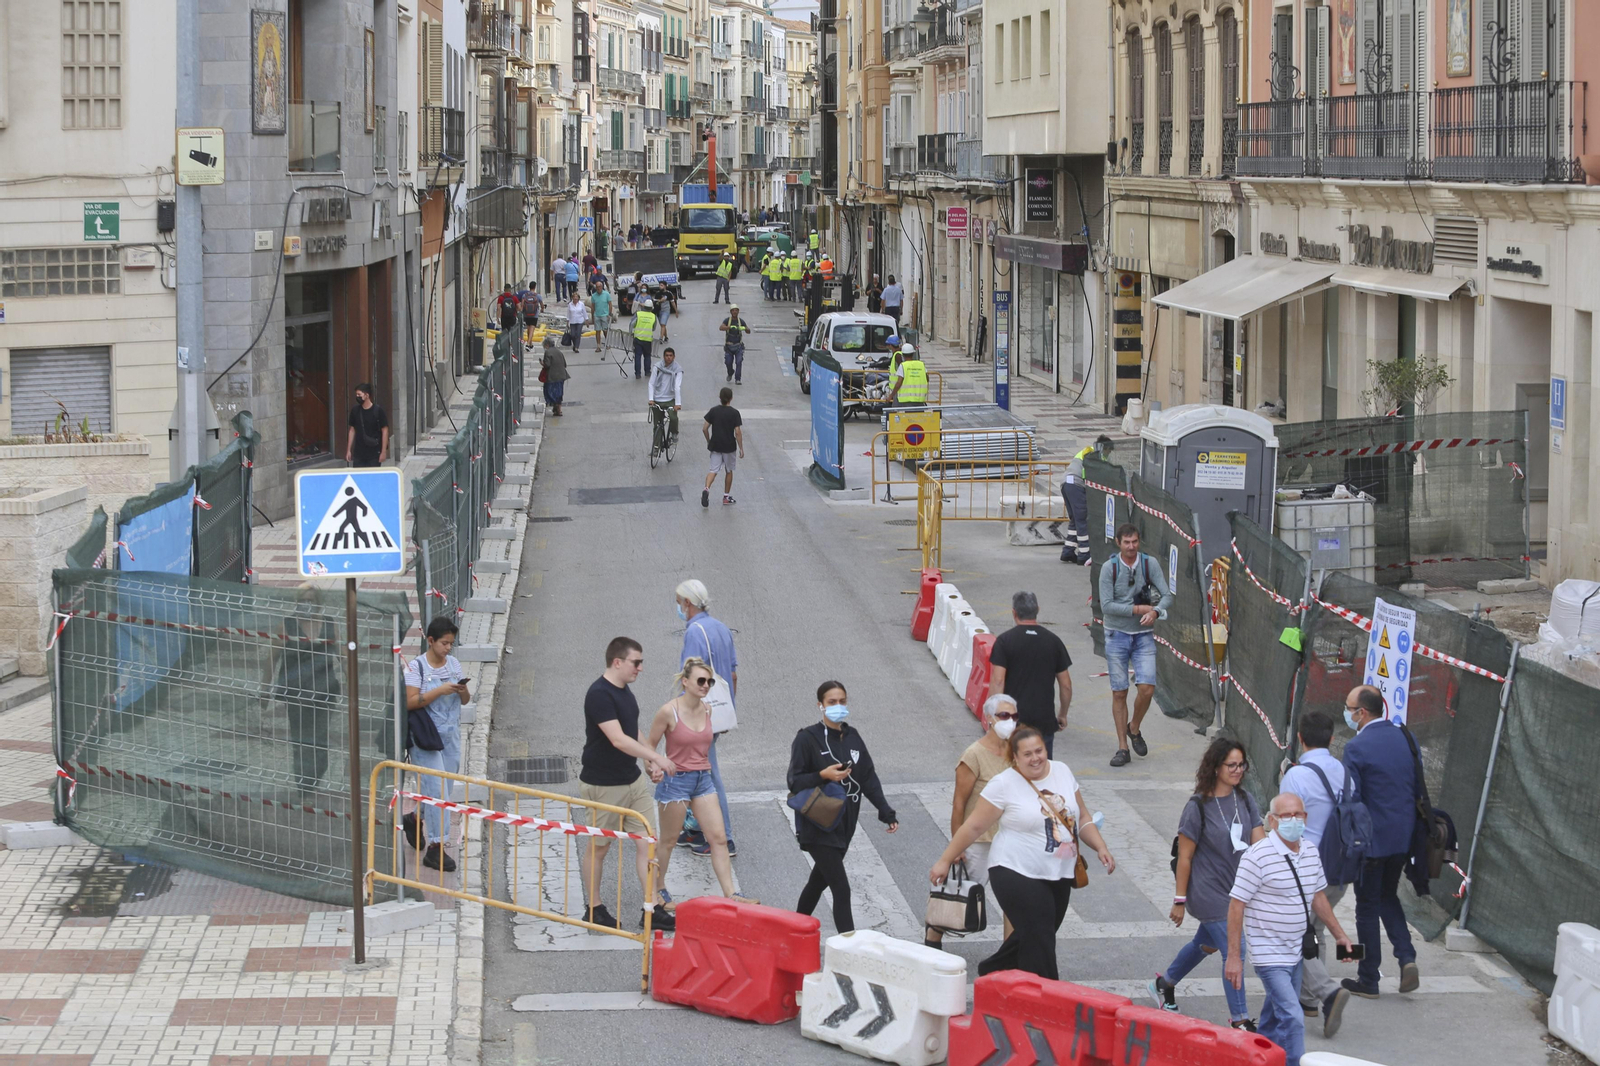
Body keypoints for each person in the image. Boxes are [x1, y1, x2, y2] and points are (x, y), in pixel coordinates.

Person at [931, 726, 1116, 980]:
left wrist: (1100, 846)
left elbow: (1081, 816)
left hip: (1058, 872)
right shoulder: (1004, 784)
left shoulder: (1062, 771)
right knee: (1040, 938)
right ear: (1014, 758)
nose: (1035, 758)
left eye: (1039, 751)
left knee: (1038, 933)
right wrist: (945, 860)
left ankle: (994, 970)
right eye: (1027, 754)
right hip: (1013, 869)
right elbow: (973, 826)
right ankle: (1047, 996)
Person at [1227, 793, 1356, 1066]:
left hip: (1296, 953)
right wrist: (1234, 957)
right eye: (1286, 816)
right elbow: (1236, 906)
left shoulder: (1310, 850)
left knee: (1273, 1022)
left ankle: (1252, 1059)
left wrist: (1340, 935)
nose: (1293, 820)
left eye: (1298, 814)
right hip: (1269, 956)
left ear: (1306, 818)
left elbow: (1318, 896)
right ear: (1272, 821)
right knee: (1293, 1017)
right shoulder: (1257, 856)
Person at [1151, 738, 1265, 1031]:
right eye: (1231, 765)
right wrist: (1179, 901)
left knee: (1206, 944)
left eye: (1242, 765)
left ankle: (1164, 984)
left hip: (1237, 890)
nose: (1238, 770)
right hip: (1207, 891)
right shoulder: (1197, 807)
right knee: (1233, 948)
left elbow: (1259, 845)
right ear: (1215, 768)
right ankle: (1239, 1019)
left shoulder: (1246, 801)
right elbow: (1185, 858)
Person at [580, 637, 679, 932]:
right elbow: (617, 738)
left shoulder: (625, 693)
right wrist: (656, 757)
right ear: (617, 662)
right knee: (599, 848)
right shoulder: (599, 694)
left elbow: (631, 730)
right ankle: (594, 908)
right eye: (637, 662)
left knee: (648, 843)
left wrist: (648, 762)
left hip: (631, 781)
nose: (641, 668)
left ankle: (652, 907)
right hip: (603, 784)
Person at [789, 680, 899, 932]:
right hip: (818, 824)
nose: (838, 706)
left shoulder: (853, 736)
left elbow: (868, 777)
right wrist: (823, 775)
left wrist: (885, 811)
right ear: (820, 705)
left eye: (842, 701)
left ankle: (792, 930)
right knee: (841, 888)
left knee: (818, 882)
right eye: (831, 702)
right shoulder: (807, 739)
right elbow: (794, 781)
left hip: (845, 825)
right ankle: (849, 947)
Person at [1340, 685, 1422, 1000]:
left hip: (1371, 840)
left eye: (1348, 707)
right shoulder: (1406, 737)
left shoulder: (1357, 748)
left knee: (1366, 906)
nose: (1345, 713)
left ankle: (1368, 977)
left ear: (1361, 712)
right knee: (1388, 897)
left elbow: (1352, 799)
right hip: (1403, 837)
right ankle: (1406, 957)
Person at [646, 657, 746, 905]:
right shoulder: (668, 711)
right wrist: (653, 767)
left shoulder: (708, 709)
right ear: (685, 682)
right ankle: (658, 889)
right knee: (668, 841)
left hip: (703, 779)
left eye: (709, 682)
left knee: (718, 838)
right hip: (675, 781)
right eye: (701, 680)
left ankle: (732, 894)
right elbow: (648, 748)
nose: (705, 686)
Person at [1280, 710, 1354, 1036]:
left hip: (1308, 870)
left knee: (1293, 936)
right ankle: (1308, 1000)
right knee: (1315, 932)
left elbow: (1286, 826)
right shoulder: (1343, 771)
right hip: (1340, 867)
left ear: (1300, 738)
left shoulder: (1296, 775)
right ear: (1332, 738)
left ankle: (1327, 992)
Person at [926, 694, 1016, 951]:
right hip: (979, 840)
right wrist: (957, 847)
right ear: (989, 719)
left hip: (1008, 839)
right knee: (958, 895)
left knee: (1012, 900)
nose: (1010, 721)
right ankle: (932, 941)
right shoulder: (974, 755)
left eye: (1013, 716)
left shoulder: (1015, 752)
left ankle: (1010, 957)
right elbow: (959, 804)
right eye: (1003, 716)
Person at [1098, 523, 1172, 767]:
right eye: (1126, 542)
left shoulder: (1150, 565)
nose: (1131, 547)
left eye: (1135, 542)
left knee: (1147, 688)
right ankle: (1122, 747)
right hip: (1116, 635)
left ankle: (1134, 727)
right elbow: (1106, 606)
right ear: (1118, 543)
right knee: (1119, 692)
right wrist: (1138, 609)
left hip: (1143, 635)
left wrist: (1157, 612)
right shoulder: (1110, 568)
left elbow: (1167, 595)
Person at [676, 579, 738, 857]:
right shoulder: (722, 628)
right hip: (719, 711)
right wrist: (727, 707)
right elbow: (733, 674)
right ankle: (696, 828)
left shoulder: (694, 632)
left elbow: (689, 679)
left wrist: (685, 716)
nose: (678, 607)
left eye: (679, 602)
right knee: (697, 770)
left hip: (700, 715)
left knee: (708, 774)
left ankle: (723, 837)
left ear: (688, 603)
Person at [403, 616, 471, 872]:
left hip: (450, 735)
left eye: (451, 643)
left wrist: (462, 690)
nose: (448, 648)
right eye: (444, 643)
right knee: (438, 792)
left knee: (444, 788)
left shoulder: (453, 664)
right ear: (430, 641)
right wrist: (439, 691)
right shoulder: (416, 669)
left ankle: (415, 817)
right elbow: (410, 702)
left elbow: (465, 701)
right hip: (426, 739)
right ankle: (436, 848)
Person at [267, 583, 339, 793]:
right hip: (296, 693)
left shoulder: (329, 625)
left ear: (318, 604)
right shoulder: (287, 625)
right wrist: (265, 689)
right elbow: (272, 658)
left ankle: (315, 774)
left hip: (324, 691)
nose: (306, 605)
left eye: (311, 601)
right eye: (302, 601)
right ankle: (304, 785)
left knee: (320, 737)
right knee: (301, 740)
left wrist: (353, 681)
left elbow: (343, 655)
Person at [987, 592, 1073, 758]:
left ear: (1014, 612)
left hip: (1013, 721)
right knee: (1042, 771)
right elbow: (1066, 685)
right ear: (1038, 610)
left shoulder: (1004, 641)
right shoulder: (1053, 641)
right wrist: (1062, 714)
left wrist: (995, 716)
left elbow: (998, 682)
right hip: (1044, 721)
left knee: (1012, 770)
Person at [1061, 435, 1113, 565]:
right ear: (1104, 448)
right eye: (1109, 451)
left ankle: (1068, 550)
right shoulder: (1092, 454)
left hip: (1066, 483)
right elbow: (1090, 476)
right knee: (1083, 519)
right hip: (1075, 484)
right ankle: (1084, 553)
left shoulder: (1087, 451)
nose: (1109, 454)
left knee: (1076, 519)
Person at [702, 386, 744, 507]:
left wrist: (709, 440)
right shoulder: (735, 413)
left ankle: (706, 489)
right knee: (729, 470)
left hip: (715, 445)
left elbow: (704, 428)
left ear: (719, 398)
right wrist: (741, 448)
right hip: (729, 446)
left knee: (713, 470)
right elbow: (737, 432)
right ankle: (726, 497)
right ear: (731, 398)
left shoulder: (713, 411)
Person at [345, 384, 390, 467]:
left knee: (372, 478)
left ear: (367, 395)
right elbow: (352, 430)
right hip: (358, 453)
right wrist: (348, 450)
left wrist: (383, 452)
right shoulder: (355, 411)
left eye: (359, 395)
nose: (357, 397)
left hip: (374, 453)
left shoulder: (378, 411)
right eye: (356, 395)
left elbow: (385, 431)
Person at [647, 346, 683, 441]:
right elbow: (651, 383)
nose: (668, 357)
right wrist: (651, 399)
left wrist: (678, 404)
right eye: (667, 355)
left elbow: (677, 387)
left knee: (673, 418)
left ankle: (674, 433)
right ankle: (656, 447)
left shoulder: (677, 370)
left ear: (674, 357)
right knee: (657, 424)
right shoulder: (657, 367)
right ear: (663, 356)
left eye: (671, 355)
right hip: (657, 399)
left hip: (670, 400)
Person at [886, 341, 927, 405]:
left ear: (903, 355)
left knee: (896, 413)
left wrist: (891, 395)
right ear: (913, 353)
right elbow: (927, 378)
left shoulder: (903, 366)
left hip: (905, 400)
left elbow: (899, 383)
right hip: (920, 399)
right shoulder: (921, 364)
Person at [719, 305, 751, 385]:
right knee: (728, 362)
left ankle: (738, 379)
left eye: (736, 310)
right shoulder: (727, 320)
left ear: (738, 311)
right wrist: (729, 327)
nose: (734, 312)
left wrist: (744, 328)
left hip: (738, 346)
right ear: (730, 312)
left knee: (739, 361)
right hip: (729, 346)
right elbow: (721, 327)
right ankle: (730, 372)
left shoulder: (740, 321)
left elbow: (748, 330)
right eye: (733, 310)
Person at [631, 296, 660, 379]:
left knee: (637, 356)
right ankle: (647, 372)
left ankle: (638, 374)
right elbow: (654, 328)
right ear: (651, 308)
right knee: (647, 356)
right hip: (647, 340)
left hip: (638, 339)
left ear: (644, 307)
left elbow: (632, 324)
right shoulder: (653, 316)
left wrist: (631, 333)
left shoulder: (638, 314)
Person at [540, 336, 569, 417]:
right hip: (561, 375)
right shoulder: (559, 352)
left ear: (547, 345)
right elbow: (565, 364)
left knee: (549, 391)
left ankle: (555, 406)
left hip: (552, 376)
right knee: (559, 393)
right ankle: (558, 409)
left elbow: (547, 364)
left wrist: (542, 363)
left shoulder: (548, 352)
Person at [590, 284, 613, 352]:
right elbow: (592, 306)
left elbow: (610, 304)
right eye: (597, 287)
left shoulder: (606, 294)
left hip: (604, 315)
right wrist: (592, 316)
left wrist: (610, 313)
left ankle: (607, 344)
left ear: (602, 287)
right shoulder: (594, 296)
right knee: (597, 331)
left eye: (599, 287)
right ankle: (598, 346)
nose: (598, 288)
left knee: (605, 330)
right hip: (597, 315)